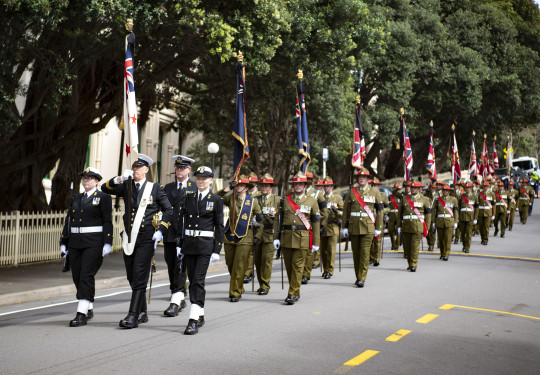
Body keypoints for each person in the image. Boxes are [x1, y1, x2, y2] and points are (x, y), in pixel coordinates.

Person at [102, 154, 172, 329]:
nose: (135, 171)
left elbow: (169, 210)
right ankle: (143, 312)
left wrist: (161, 230)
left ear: (146, 170)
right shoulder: (127, 186)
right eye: (134, 168)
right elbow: (105, 188)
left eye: (139, 168)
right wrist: (118, 178)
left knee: (140, 275)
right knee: (131, 276)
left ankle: (132, 315)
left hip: (147, 237)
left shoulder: (154, 188)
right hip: (129, 237)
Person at [59, 167, 113, 327]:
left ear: (97, 181)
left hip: (94, 243)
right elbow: (69, 220)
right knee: (77, 276)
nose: (86, 180)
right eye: (84, 178)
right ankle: (88, 306)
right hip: (76, 242)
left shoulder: (103, 197)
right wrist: (64, 242)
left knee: (86, 275)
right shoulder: (76, 198)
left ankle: (81, 313)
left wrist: (108, 242)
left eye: (89, 178)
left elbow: (107, 221)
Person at [179, 166, 224, 335]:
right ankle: (200, 313)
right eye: (198, 178)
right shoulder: (189, 197)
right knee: (192, 281)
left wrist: (216, 250)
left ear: (211, 180)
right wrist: (179, 244)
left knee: (198, 280)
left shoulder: (216, 200)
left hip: (205, 246)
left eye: (204, 179)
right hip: (189, 245)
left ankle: (193, 320)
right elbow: (182, 222)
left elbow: (219, 226)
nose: (201, 181)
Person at [275, 171, 321, 304]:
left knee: (298, 266)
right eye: (296, 184)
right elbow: (278, 220)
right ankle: (296, 290)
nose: (298, 186)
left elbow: (316, 223)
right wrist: (276, 237)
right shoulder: (285, 200)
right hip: (287, 237)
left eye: (301, 184)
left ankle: (291, 293)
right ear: (293, 186)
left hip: (303, 238)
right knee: (289, 267)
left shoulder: (312, 201)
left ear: (305, 186)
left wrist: (316, 242)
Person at [218, 174, 262, 302]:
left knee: (240, 264)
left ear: (247, 187)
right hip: (229, 234)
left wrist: (257, 233)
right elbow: (215, 197)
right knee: (230, 264)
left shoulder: (252, 202)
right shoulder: (230, 198)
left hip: (245, 236)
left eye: (242, 185)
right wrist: (227, 189)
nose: (239, 187)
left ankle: (235, 292)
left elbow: (260, 219)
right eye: (237, 185)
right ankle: (238, 285)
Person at [162, 155, 195, 317]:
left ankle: (176, 299)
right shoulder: (167, 188)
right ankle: (179, 295)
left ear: (189, 170)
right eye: (177, 168)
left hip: (186, 235)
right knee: (171, 265)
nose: (179, 170)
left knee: (181, 266)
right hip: (170, 234)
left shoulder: (195, 187)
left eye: (182, 168)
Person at [342, 167, 384, 286]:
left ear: (367, 179)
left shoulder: (375, 192)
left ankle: (362, 278)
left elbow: (380, 211)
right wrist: (344, 226)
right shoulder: (352, 191)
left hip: (368, 227)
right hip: (354, 226)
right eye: (359, 177)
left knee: (365, 253)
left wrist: (378, 228)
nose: (361, 179)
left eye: (364, 177)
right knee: (356, 253)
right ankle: (358, 276)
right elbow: (346, 210)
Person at [253, 173, 280, 294]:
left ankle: (265, 285)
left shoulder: (277, 200)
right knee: (258, 261)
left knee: (266, 260)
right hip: (257, 233)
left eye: (267, 185)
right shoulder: (255, 199)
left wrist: (279, 236)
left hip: (270, 233)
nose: (264, 188)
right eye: (262, 185)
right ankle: (261, 283)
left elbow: (280, 218)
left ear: (271, 187)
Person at [397, 180, 432, 272]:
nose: (413, 189)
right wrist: (399, 226)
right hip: (406, 225)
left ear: (419, 189)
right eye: (411, 187)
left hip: (418, 226)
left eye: (415, 188)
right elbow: (399, 214)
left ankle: (413, 264)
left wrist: (427, 228)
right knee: (407, 247)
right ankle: (410, 263)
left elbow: (428, 215)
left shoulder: (424, 199)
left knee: (415, 246)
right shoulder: (404, 198)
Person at [301, 172, 327, 283]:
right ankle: (300, 272)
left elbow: (324, 211)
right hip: (298, 226)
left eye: (309, 179)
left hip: (311, 226)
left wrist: (322, 225)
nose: (307, 180)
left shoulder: (317, 193)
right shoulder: (292, 192)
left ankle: (306, 273)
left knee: (309, 251)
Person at [320, 176, 343, 279]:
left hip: (333, 226)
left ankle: (330, 270)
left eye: (328, 186)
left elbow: (344, 212)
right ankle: (325, 269)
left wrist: (337, 211)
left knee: (331, 250)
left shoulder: (337, 198)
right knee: (323, 251)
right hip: (323, 227)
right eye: (325, 186)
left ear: (332, 187)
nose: (326, 188)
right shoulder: (320, 198)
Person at [432, 185, 458, 261]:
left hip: (449, 222)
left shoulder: (453, 199)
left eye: (446, 190)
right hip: (440, 221)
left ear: (449, 192)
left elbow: (455, 211)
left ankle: (446, 254)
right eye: (444, 190)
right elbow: (434, 212)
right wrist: (433, 222)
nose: (445, 192)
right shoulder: (437, 200)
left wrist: (456, 221)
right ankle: (442, 253)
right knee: (441, 239)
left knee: (447, 239)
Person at [243, 172, 261, 284]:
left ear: (256, 184)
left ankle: (254, 272)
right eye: (249, 184)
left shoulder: (260, 196)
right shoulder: (243, 195)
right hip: (245, 226)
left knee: (257, 253)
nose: (251, 186)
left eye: (253, 184)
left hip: (258, 226)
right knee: (248, 251)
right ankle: (247, 273)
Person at [369, 178, 388, 266]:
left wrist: (382, 211)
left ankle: (376, 258)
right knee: (370, 240)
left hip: (379, 219)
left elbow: (388, 207)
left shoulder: (383, 195)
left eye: (376, 185)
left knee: (377, 240)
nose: (374, 187)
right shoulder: (369, 194)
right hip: (369, 219)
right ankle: (371, 257)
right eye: (373, 185)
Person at [457, 181, 478, 253]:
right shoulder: (461, 196)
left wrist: (475, 218)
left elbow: (476, 208)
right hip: (462, 217)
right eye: (466, 188)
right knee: (462, 233)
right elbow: (458, 207)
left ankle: (467, 247)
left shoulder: (474, 196)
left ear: (471, 188)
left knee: (469, 233)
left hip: (470, 217)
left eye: (469, 188)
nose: (467, 189)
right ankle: (464, 245)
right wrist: (458, 218)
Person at [477, 181, 495, 245]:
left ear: (488, 187)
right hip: (481, 212)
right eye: (484, 187)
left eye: (486, 187)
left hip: (488, 213)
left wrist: (493, 214)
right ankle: (482, 238)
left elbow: (493, 205)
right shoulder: (479, 194)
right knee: (481, 227)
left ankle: (485, 239)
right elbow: (477, 203)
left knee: (486, 227)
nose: (485, 188)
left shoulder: (491, 194)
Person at [424, 182, 439, 252]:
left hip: (433, 216)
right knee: (427, 231)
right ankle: (429, 243)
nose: (432, 189)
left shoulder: (437, 195)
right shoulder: (426, 194)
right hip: (426, 216)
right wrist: (427, 191)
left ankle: (431, 245)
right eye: (431, 188)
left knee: (432, 232)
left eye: (434, 188)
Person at [388, 184, 402, 251]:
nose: (398, 191)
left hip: (398, 214)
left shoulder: (401, 196)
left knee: (398, 231)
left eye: (399, 189)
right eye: (396, 189)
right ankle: (393, 244)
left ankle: (396, 245)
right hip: (391, 215)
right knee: (391, 231)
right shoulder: (390, 197)